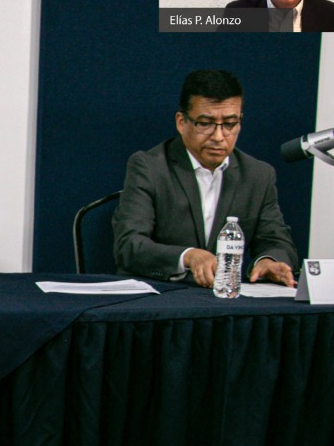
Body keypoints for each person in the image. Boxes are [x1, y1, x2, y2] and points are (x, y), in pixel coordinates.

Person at [113, 70, 298, 287]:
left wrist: (268, 261)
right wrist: (188, 256)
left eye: (229, 123)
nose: (219, 136)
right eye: (205, 123)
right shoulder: (150, 167)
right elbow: (129, 246)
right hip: (160, 297)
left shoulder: (258, 175)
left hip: (224, 303)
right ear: (182, 122)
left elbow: (277, 242)